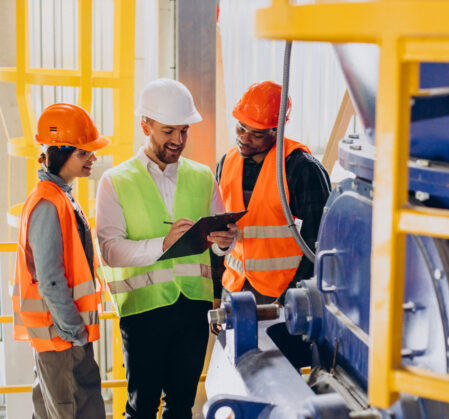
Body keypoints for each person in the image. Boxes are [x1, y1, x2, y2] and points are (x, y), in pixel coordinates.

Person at [96, 78, 237, 419]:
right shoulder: (114, 181)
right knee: (141, 408)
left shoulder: (204, 177)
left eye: (184, 131)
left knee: (181, 407)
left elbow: (217, 245)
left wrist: (223, 243)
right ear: (145, 125)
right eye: (168, 131)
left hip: (193, 309)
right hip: (143, 311)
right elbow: (110, 251)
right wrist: (162, 244)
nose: (178, 141)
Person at [11, 103, 108, 419]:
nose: (92, 159)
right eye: (83, 153)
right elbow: (50, 280)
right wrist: (75, 332)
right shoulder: (49, 204)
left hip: (64, 337)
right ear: (58, 153)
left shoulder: (61, 197)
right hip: (62, 338)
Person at [215, 81, 331, 304]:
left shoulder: (302, 169)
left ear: (277, 130)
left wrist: (293, 298)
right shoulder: (227, 163)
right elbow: (219, 231)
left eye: (256, 134)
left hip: (280, 296)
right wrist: (217, 294)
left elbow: (319, 242)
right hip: (233, 290)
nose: (244, 138)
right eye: (241, 127)